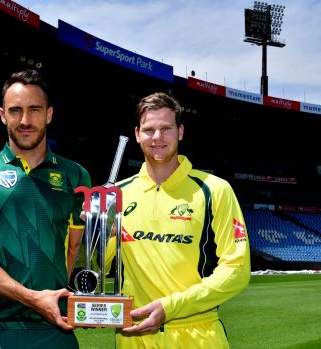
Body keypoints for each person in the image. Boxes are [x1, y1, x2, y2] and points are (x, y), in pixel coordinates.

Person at [0, 69, 91, 349]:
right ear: (3, 115)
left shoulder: (76, 176)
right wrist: (32, 298)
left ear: (49, 114)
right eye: (15, 110)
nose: (25, 120)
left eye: (34, 110)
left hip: (55, 330)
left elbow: (76, 252)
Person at [106, 92, 250, 348]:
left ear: (180, 131)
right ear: (137, 134)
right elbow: (95, 267)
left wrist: (170, 307)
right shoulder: (117, 193)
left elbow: (237, 270)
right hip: (134, 336)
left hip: (197, 333)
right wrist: (97, 234)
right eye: (149, 130)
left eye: (166, 128)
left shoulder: (214, 190)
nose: (157, 137)